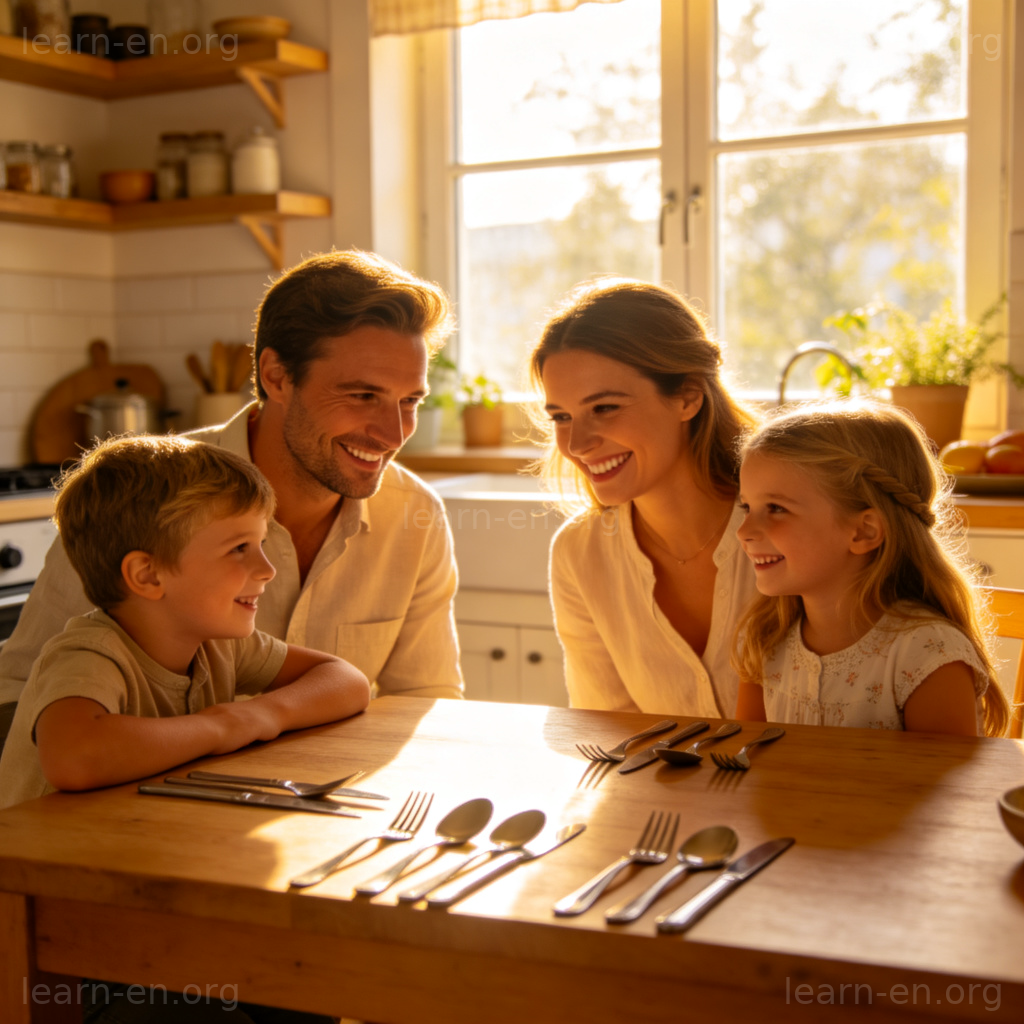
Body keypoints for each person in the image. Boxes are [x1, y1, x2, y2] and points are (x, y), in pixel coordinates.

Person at [0, 250, 463, 740]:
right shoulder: (144, 495)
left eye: (410, 401)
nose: (393, 433)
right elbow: (17, 695)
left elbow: (425, 706)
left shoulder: (415, 514)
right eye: (362, 396)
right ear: (277, 377)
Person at [0, 434, 370, 809]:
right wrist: (220, 728)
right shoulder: (90, 656)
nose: (267, 569)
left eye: (260, 544)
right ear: (148, 575)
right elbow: (73, 759)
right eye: (239, 548)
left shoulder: (220, 645)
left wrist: (259, 714)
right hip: (39, 860)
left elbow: (346, 681)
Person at [531, 277, 760, 717]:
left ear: (688, 398)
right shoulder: (580, 553)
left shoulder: (791, 523)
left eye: (604, 408)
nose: (577, 443)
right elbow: (608, 732)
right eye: (562, 416)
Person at [733, 399, 1009, 736]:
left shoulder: (927, 655)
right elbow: (750, 764)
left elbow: (941, 789)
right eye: (747, 506)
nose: (744, 531)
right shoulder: (767, 637)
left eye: (775, 508)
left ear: (865, 531)